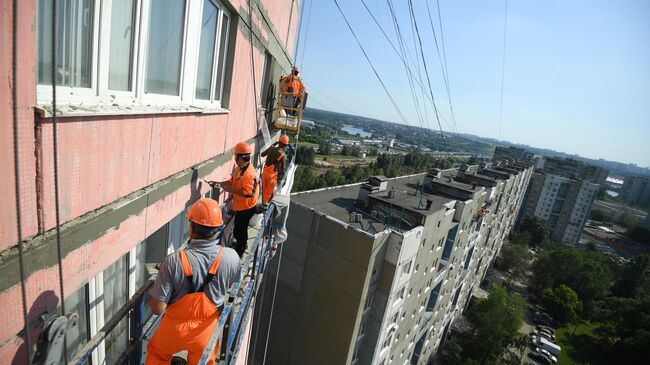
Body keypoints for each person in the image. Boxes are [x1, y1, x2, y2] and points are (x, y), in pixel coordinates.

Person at [146, 198, 241, 365]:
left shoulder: (173, 261)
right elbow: (231, 284)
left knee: (157, 354)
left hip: (174, 330)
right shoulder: (231, 257)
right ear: (219, 229)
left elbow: (157, 308)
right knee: (204, 361)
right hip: (207, 330)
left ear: (191, 228)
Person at [210, 142, 258, 257]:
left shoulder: (249, 174)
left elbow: (248, 193)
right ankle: (242, 244)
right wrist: (219, 184)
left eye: (236, 156)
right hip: (242, 206)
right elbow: (232, 181)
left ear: (241, 157)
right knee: (240, 229)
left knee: (239, 231)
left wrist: (231, 190)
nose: (234, 158)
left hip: (247, 207)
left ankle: (240, 252)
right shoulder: (239, 168)